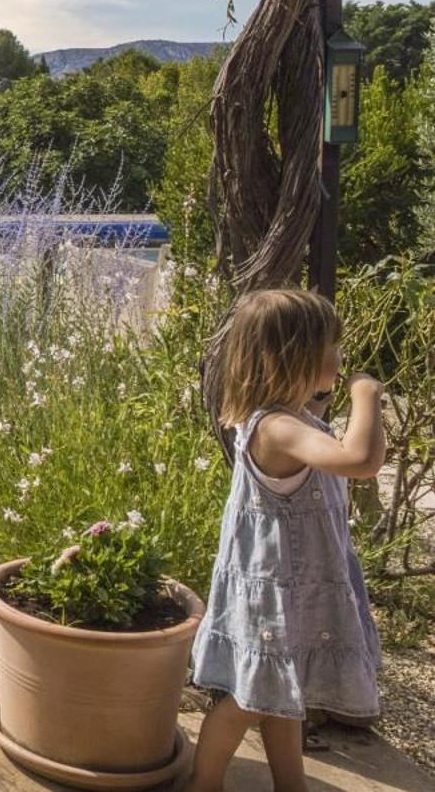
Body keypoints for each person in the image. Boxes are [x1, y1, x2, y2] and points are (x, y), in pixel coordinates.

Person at [188, 288, 386, 791]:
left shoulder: (294, 420)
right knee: (248, 700)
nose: (341, 358)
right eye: (332, 347)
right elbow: (361, 460)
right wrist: (367, 396)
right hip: (275, 591)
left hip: (296, 587)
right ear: (295, 355)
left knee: (279, 692)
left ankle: (290, 783)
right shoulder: (276, 428)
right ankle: (203, 785)